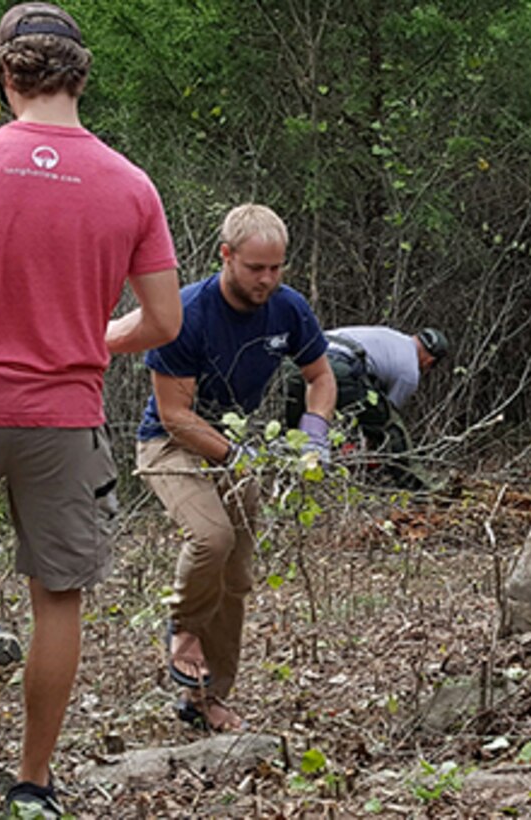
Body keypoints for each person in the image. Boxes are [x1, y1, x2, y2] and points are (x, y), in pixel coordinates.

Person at [0, 3, 181, 816]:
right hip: (68, 415)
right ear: (80, 77)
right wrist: (91, 338)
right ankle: (33, 786)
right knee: (59, 596)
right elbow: (163, 323)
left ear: (4, 75)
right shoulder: (130, 184)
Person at [133, 203, 336, 730]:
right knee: (211, 538)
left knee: (237, 576)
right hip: (172, 444)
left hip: (235, 445)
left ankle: (206, 699)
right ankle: (183, 629)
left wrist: (315, 434)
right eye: (255, 268)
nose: (267, 279)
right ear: (226, 255)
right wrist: (232, 454)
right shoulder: (188, 313)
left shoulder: (288, 309)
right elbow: (176, 415)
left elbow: (321, 376)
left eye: (276, 268)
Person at [285, 325, 449, 488]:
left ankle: (287, 473)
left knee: (298, 428)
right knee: (389, 424)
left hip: (298, 360)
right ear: (430, 361)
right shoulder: (410, 372)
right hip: (336, 367)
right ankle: (416, 484)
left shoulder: (393, 337)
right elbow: (387, 412)